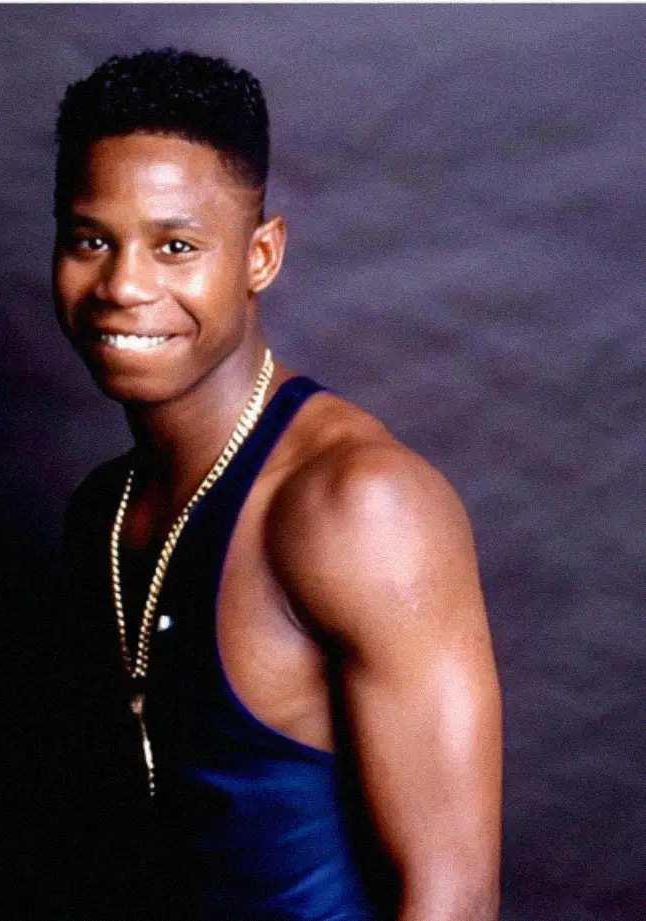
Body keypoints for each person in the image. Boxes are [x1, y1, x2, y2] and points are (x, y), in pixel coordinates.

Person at [53, 48, 502, 921]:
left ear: (261, 256)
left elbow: (455, 897)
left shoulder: (358, 506)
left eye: (175, 246)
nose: (122, 286)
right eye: (90, 240)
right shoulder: (101, 517)